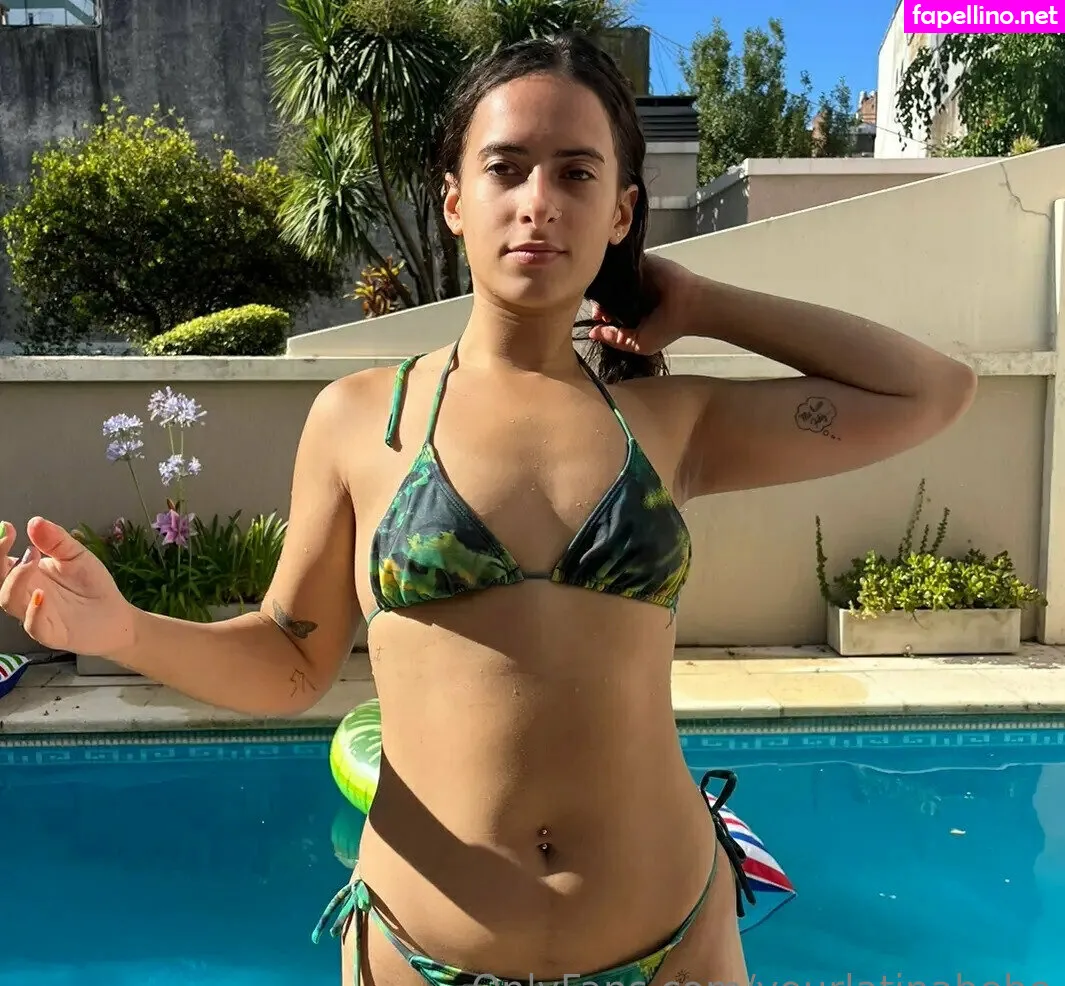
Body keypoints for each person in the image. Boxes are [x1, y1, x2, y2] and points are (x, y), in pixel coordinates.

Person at [0, 31, 976, 986]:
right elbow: (292, 659)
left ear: (622, 210)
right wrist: (122, 629)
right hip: (417, 953)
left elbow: (930, 392)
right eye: (506, 169)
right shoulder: (363, 421)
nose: (538, 201)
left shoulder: (674, 422)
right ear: (455, 201)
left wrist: (701, 300)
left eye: (577, 173)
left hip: (671, 944)